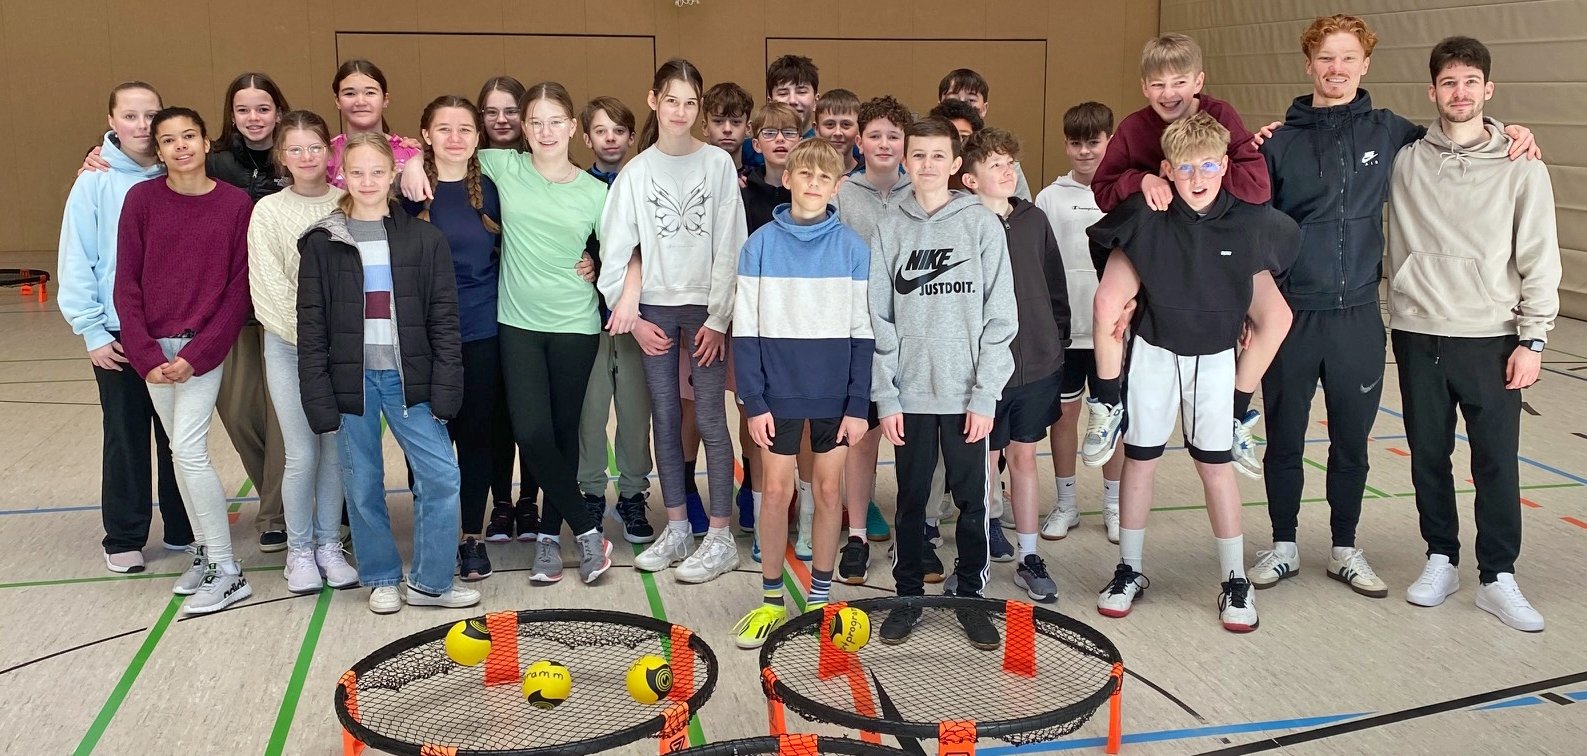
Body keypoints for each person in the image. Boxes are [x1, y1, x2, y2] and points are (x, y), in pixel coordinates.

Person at [1251, 15, 1538, 598]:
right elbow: (1255, 232)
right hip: (1290, 316)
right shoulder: (1277, 143)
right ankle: (1283, 544)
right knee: (1284, 437)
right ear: (1309, 65)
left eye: (1348, 57)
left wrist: (1511, 130)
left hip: (1358, 316)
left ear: (1365, 64)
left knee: (1350, 440)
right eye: (1326, 58)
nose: (1337, 69)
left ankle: (1344, 547)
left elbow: (1460, 127)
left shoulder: (1391, 133)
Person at [1085, 112, 1297, 633]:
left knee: (1215, 467)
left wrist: (1242, 313)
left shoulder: (1250, 221)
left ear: (1225, 166)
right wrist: (1130, 306)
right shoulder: (1146, 214)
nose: (1197, 177)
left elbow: (1277, 280)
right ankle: (1129, 568)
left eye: (1207, 166)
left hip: (1215, 359)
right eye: (1185, 167)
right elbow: (1107, 262)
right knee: (1140, 461)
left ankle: (1234, 578)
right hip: (1155, 352)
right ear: (1166, 169)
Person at [1387, 37, 1559, 633]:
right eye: (1448, 83)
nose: (1459, 93)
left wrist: (1533, 340)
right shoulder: (1404, 159)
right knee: (1428, 455)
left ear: (1488, 89)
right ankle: (1441, 557)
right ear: (1432, 91)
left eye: (1470, 82)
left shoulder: (1521, 164)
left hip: (1492, 335)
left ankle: (1497, 576)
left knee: (1496, 462)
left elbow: (1540, 256)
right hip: (1418, 331)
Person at [297, 132, 478, 614]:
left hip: (408, 379)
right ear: (341, 174)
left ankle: (431, 583)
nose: (367, 181)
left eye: (377, 171)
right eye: (356, 172)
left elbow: (444, 319)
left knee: (441, 477)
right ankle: (380, 576)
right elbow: (311, 325)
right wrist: (317, 395)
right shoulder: (323, 242)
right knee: (362, 484)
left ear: (393, 173)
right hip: (351, 382)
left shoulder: (424, 238)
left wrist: (446, 385)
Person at [598, 58, 748, 583]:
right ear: (653, 101)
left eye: (690, 102)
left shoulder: (718, 165)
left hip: (706, 309)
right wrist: (633, 317)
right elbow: (616, 247)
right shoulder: (636, 173)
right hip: (656, 311)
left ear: (698, 108)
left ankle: (721, 537)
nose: (680, 111)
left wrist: (721, 317)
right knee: (664, 418)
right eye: (671, 100)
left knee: (709, 418)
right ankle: (679, 526)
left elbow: (731, 242)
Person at [870, 116, 1015, 649]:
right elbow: (878, 317)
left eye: (938, 155)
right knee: (911, 502)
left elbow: (1001, 317)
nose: (927, 164)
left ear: (956, 164)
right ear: (904, 161)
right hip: (909, 395)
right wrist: (887, 395)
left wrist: (985, 394)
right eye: (918, 154)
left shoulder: (981, 225)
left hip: (967, 395)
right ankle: (907, 595)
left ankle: (970, 598)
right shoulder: (890, 227)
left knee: (973, 503)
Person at [731, 139, 873, 647]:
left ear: (837, 187)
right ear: (787, 178)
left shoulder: (854, 249)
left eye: (824, 177)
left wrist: (858, 405)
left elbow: (863, 334)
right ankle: (772, 599)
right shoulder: (759, 246)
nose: (814, 183)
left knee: (830, 492)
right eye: (805, 174)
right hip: (777, 395)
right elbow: (745, 331)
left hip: (836, 398)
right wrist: (754, 401)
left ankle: (820, 599)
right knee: (776, 492)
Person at [116, 107, 254, 614]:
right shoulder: (141, 200)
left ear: (205, 142)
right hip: (155, 354)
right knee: (179, 451)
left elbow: (239, 288)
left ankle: (227, 570)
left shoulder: (235, 204)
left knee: (189, 451)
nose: (181, 146)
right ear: (158, 150)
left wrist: (198, 354)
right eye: (169, 140)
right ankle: (203, 551)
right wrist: (144, 354)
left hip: (201, 351)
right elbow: (126, 282)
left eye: (189, 136)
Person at [59, 81, 193, 574]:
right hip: (117, 334)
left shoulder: (179, 174)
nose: (141, 126)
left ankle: (183, 526)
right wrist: (92, 331)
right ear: (111, 122)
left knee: (179, 437)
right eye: (130, 116)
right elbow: (77, 258)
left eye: (150, 116)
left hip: (173, 331)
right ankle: (124, 535)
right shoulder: (93, 182)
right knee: (125, 434)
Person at [248, 110, 359, 593]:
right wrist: (310, 337)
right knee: (300, 453)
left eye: (314, 147)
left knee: (334, 450)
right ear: (281, 156)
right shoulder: (267, 211)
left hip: (342, 348)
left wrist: (337, 337)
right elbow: (268, 286)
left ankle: (329, 544)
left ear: (329, 151)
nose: (306, 156)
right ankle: (299, 552)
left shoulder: (348, 203)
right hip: (289, 346)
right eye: (294, 149)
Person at [959, 127, 1069, 604]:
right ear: (970, 180)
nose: (1007, 172)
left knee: (1025, 457)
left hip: (1037, 366)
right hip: (985, 371)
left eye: (1010, 164)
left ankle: (1029, 556)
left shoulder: (1033, 219)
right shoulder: (962, 225)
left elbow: (1054, 284)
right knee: (984, 462)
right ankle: (976, 554)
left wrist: (1056, 341)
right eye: (995, 165)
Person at [405, 95, 510, 582]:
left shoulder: (491, 190)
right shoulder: (408, 190)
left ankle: (471, 536)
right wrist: (407, 164)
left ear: (477, 137)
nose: (454, 138)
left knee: (475, 437)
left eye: (465, 129)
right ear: (425, 135)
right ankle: (436, 533)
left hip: (481, 330)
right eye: (443, 128)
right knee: (427, 441)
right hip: (423, 337)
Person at [831, 95, 911, 585]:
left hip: (913, 337)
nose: (884, 144)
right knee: (862, 438)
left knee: (911, 441)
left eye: (893, 136)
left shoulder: (922, 194)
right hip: (860, 336)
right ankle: (857, 535)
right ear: (858, 142)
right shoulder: (842, 195)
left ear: (906, 143)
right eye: (875, 135)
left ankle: (913, 535)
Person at [1035, 102, 1122, 543]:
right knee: (1065, 415)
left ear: (1110, 140)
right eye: (1076, 143)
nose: (1085, 151)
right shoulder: (1049, 198)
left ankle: (1114, 505)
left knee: (1111, 419)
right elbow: (1040, 265)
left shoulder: (1124, 193)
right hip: (1066, 333)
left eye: (1094, 142)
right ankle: (1066, 504)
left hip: (1113, 332)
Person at [575, 95, 656, 544]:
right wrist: (584, 258)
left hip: (636, 317)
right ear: (587, 138)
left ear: (631, 137)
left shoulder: (643, 182)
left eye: (619, 131)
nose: (610, 139)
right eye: (601, 131)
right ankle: (589, 491)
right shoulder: (576, 185)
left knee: (634, 411)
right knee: (590, 412)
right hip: (587, 318)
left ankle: (632, 493)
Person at [325, 59, 422, 188]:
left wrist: (421, 156)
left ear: (385, 99)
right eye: (350, 93)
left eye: (370, 93)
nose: (360, 102)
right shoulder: (326, 155)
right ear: (337, 101)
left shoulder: (410, 154)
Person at [936, 69, 1031, 200]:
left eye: (971, 100)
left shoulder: (1004, 161)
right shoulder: (927, 158)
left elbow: (1022, 207)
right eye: (953, 99)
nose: (961, 104)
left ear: (984, 109)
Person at [814, 89, 861, 174]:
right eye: (830, 124)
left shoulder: (868, 176)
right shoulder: (803, 174)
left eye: (846, 124)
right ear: (816, 129)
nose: (837, 133)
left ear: (859, 129)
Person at [478, 75, 527, 150]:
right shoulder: (466, 156)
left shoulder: (541, 156)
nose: (501, 120)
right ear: (482, 116)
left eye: (511, 112)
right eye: (492, 112)